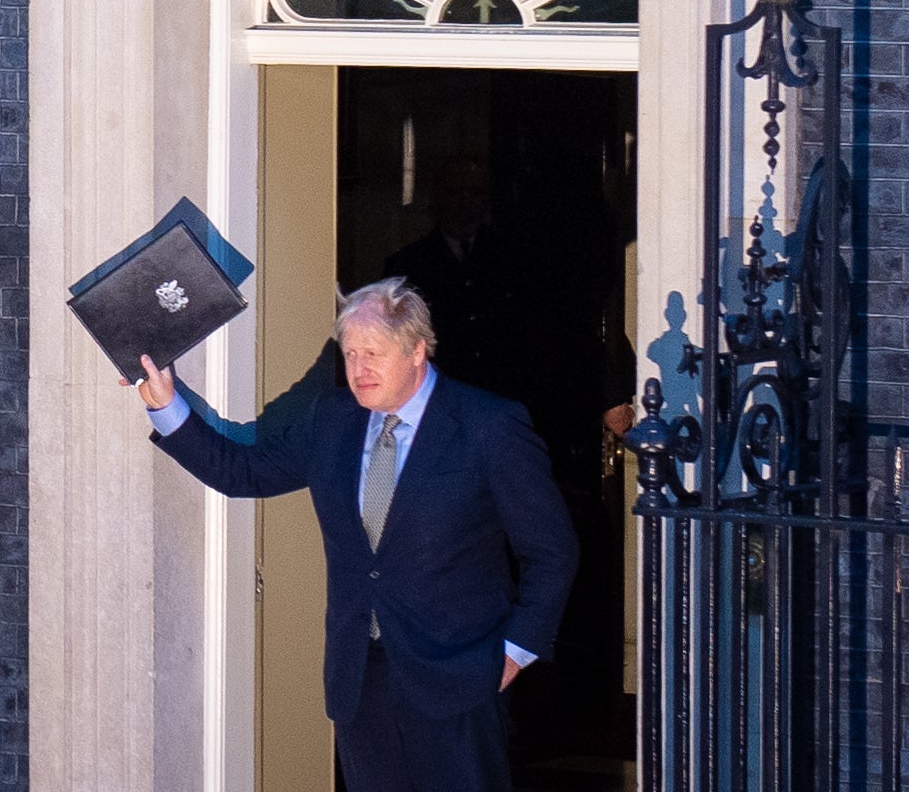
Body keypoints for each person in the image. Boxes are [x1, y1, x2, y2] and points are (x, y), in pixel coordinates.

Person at [135, 278, 577, 792]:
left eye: (374, 353)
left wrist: (516, 650)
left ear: (417, 350)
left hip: (460, 681)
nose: (359, 368)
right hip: (360, 683)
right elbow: (243, 472)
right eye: (350, 354)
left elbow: (552, 550)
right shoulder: (333, 421)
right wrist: (166, 404)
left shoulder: (487, 425)